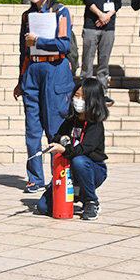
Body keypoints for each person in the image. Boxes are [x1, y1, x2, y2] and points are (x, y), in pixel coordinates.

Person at [14, 0, 75, 194]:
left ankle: (58, 175)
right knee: (32, 130)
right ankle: (34, 178)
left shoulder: (61, 12)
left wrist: (40, 40)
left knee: (55, 128)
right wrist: (20, 80)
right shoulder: (26, 16)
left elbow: (64, 45)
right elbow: (23, 51)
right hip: (33, 70)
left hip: (55, 68)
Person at [37, 77, 109, 220]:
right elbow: (57, 136)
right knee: (43, 207)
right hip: (67, 172)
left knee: (79, 161)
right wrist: (62, 139)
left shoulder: (95, 126)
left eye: (84, 97)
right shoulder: (71, 120)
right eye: (77, 95)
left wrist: (64, 150)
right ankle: (75, 194)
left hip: (92, 169)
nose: (79, 100)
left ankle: (91, 201)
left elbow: (82, 150)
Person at [80, 0, 123, 106]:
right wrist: (100, 14)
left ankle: (102, 92)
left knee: (104, 62)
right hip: (92, 25)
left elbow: (118, 1)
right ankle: (84, 90)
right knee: (87, 60)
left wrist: (107, 16)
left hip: (108, 27)